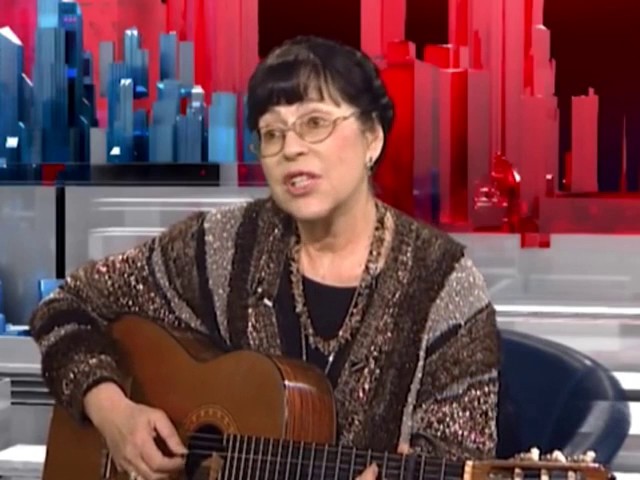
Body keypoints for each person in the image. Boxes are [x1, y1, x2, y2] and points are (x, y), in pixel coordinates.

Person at [29, 35, 500, 480]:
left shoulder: (443, 284)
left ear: (371, 138)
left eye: (314, 123)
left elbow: (461, 458)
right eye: (272, 133)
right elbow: (66, 307)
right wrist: (112, 411)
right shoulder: (222, 246)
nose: (290, 148)